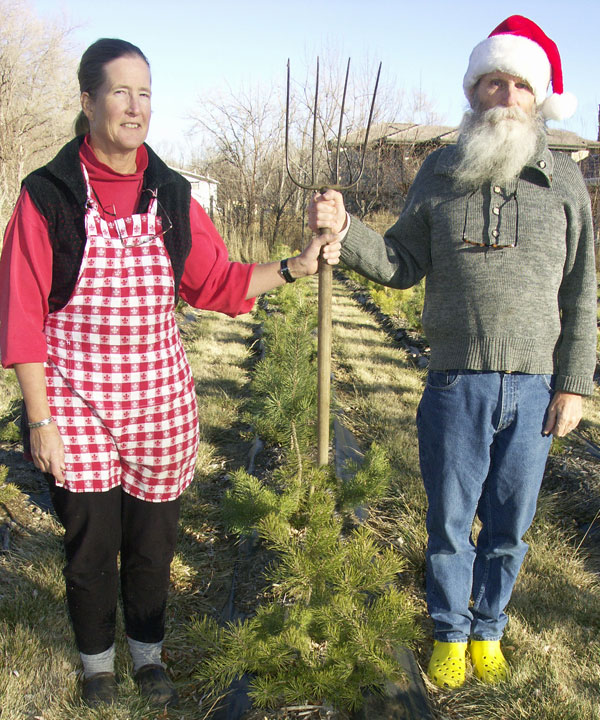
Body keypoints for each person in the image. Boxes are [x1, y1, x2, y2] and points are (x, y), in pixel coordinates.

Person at [0, 38, 340, 708]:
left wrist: (299, 264)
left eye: (145, 93)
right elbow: (19, 316)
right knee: (92, 548)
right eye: (120, 91)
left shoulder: (173, 195)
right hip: (77, 406)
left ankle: (148, 656)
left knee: (154, 547)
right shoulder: (49, 195)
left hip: (159, 403)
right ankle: (96, 665)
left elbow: (219, 282)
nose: (134, 106)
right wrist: (38, 419)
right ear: (88, 101)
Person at [309, 15, 597, 690]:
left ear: (538, 97)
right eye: (490, 82)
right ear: (474, 94)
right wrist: (346, 230)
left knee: (509, 525)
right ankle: (449, 631)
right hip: (454, 383)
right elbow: (403, 262)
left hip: (533, 388)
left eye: (518, 84)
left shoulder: (563, 185)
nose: (503, 96)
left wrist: (574, 383)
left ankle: (489, 629)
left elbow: (582, 292)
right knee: (447, 520)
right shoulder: (440, 171)